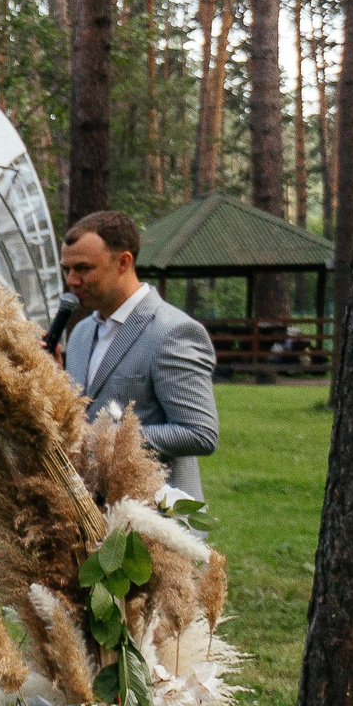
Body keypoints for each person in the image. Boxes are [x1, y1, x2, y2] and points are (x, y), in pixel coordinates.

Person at [59, 210, 220, 498]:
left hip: (155, 521)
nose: (72, 280)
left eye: (83, 269)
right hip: (87, 517)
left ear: (123, 262)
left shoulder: (173, 331)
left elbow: (199, 433)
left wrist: (101, 440)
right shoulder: (81, 332)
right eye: (66, 270)